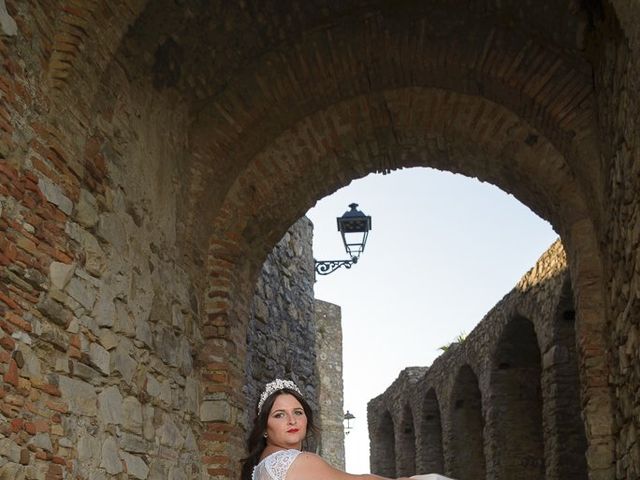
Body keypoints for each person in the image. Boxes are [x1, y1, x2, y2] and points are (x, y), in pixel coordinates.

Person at [241, 379, 416, 480]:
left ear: (307, 419)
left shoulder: (262, 466)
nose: (292, 420)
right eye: (279, 415)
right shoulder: (296, 461)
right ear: (264, 427)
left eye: (298, 412)